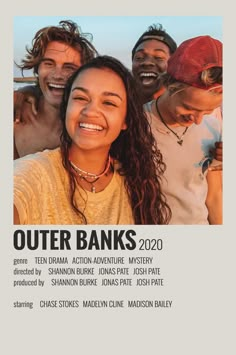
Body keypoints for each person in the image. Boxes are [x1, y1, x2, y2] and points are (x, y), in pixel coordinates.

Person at [14, 55, 171, 225]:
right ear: (67, 107)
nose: (90, 111)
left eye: (109, 103)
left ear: (126, 119)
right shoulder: (32, 173)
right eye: (80, 98)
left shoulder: (135, 181)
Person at [144, 35, 223, 224]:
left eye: (207, 111)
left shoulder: (212, 125)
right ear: (170, 86)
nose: (197, 120)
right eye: (189, 108)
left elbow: (213, 196)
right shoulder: (136, 123)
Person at [14, 20, 98, 159]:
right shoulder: (16, 115)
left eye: (69, 67)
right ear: (37, 68)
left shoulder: (90, 125)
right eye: (49, 64)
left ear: (83, 73)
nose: (58, 75)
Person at [132, 24, 177, 104]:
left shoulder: (185, 110)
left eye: (159, 57)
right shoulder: (122, 107)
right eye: (139, 57)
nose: (147, 62)